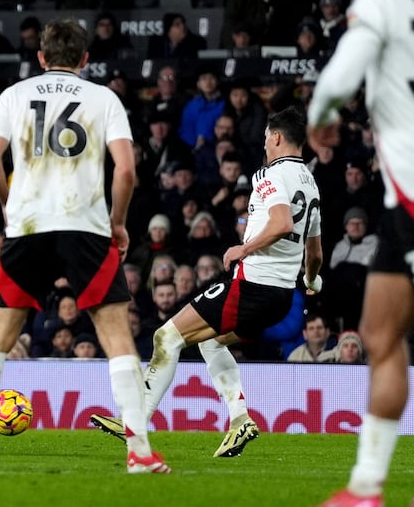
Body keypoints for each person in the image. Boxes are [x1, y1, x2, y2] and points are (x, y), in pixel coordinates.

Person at [0, 19, 170, 474]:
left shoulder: (14, 95)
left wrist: (9, 201)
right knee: (116, 336)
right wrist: (118, 223)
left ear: (40, 58)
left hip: (27, 226)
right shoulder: (104, 99)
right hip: (85, 227)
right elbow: (126, 171)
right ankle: (139, 452)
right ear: (85, 60)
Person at [91, 106, 324, 458]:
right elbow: (315, 252)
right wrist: (311, 279)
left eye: (266, 139)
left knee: (166, 336)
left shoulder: (269, 176)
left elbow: (280, 224)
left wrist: (243, 248)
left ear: (276, 138)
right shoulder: (311, 184)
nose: (265, 146)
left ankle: (134, 423)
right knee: (211, 343)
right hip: (279, 296)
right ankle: (239, 418)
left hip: (253, 286)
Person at [308, 0, 414, 505]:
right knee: (379, 333)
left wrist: (321, 114)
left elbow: (343, 73)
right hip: (405, 206)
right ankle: (365, 487)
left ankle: (367, 487)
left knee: (383, 340)